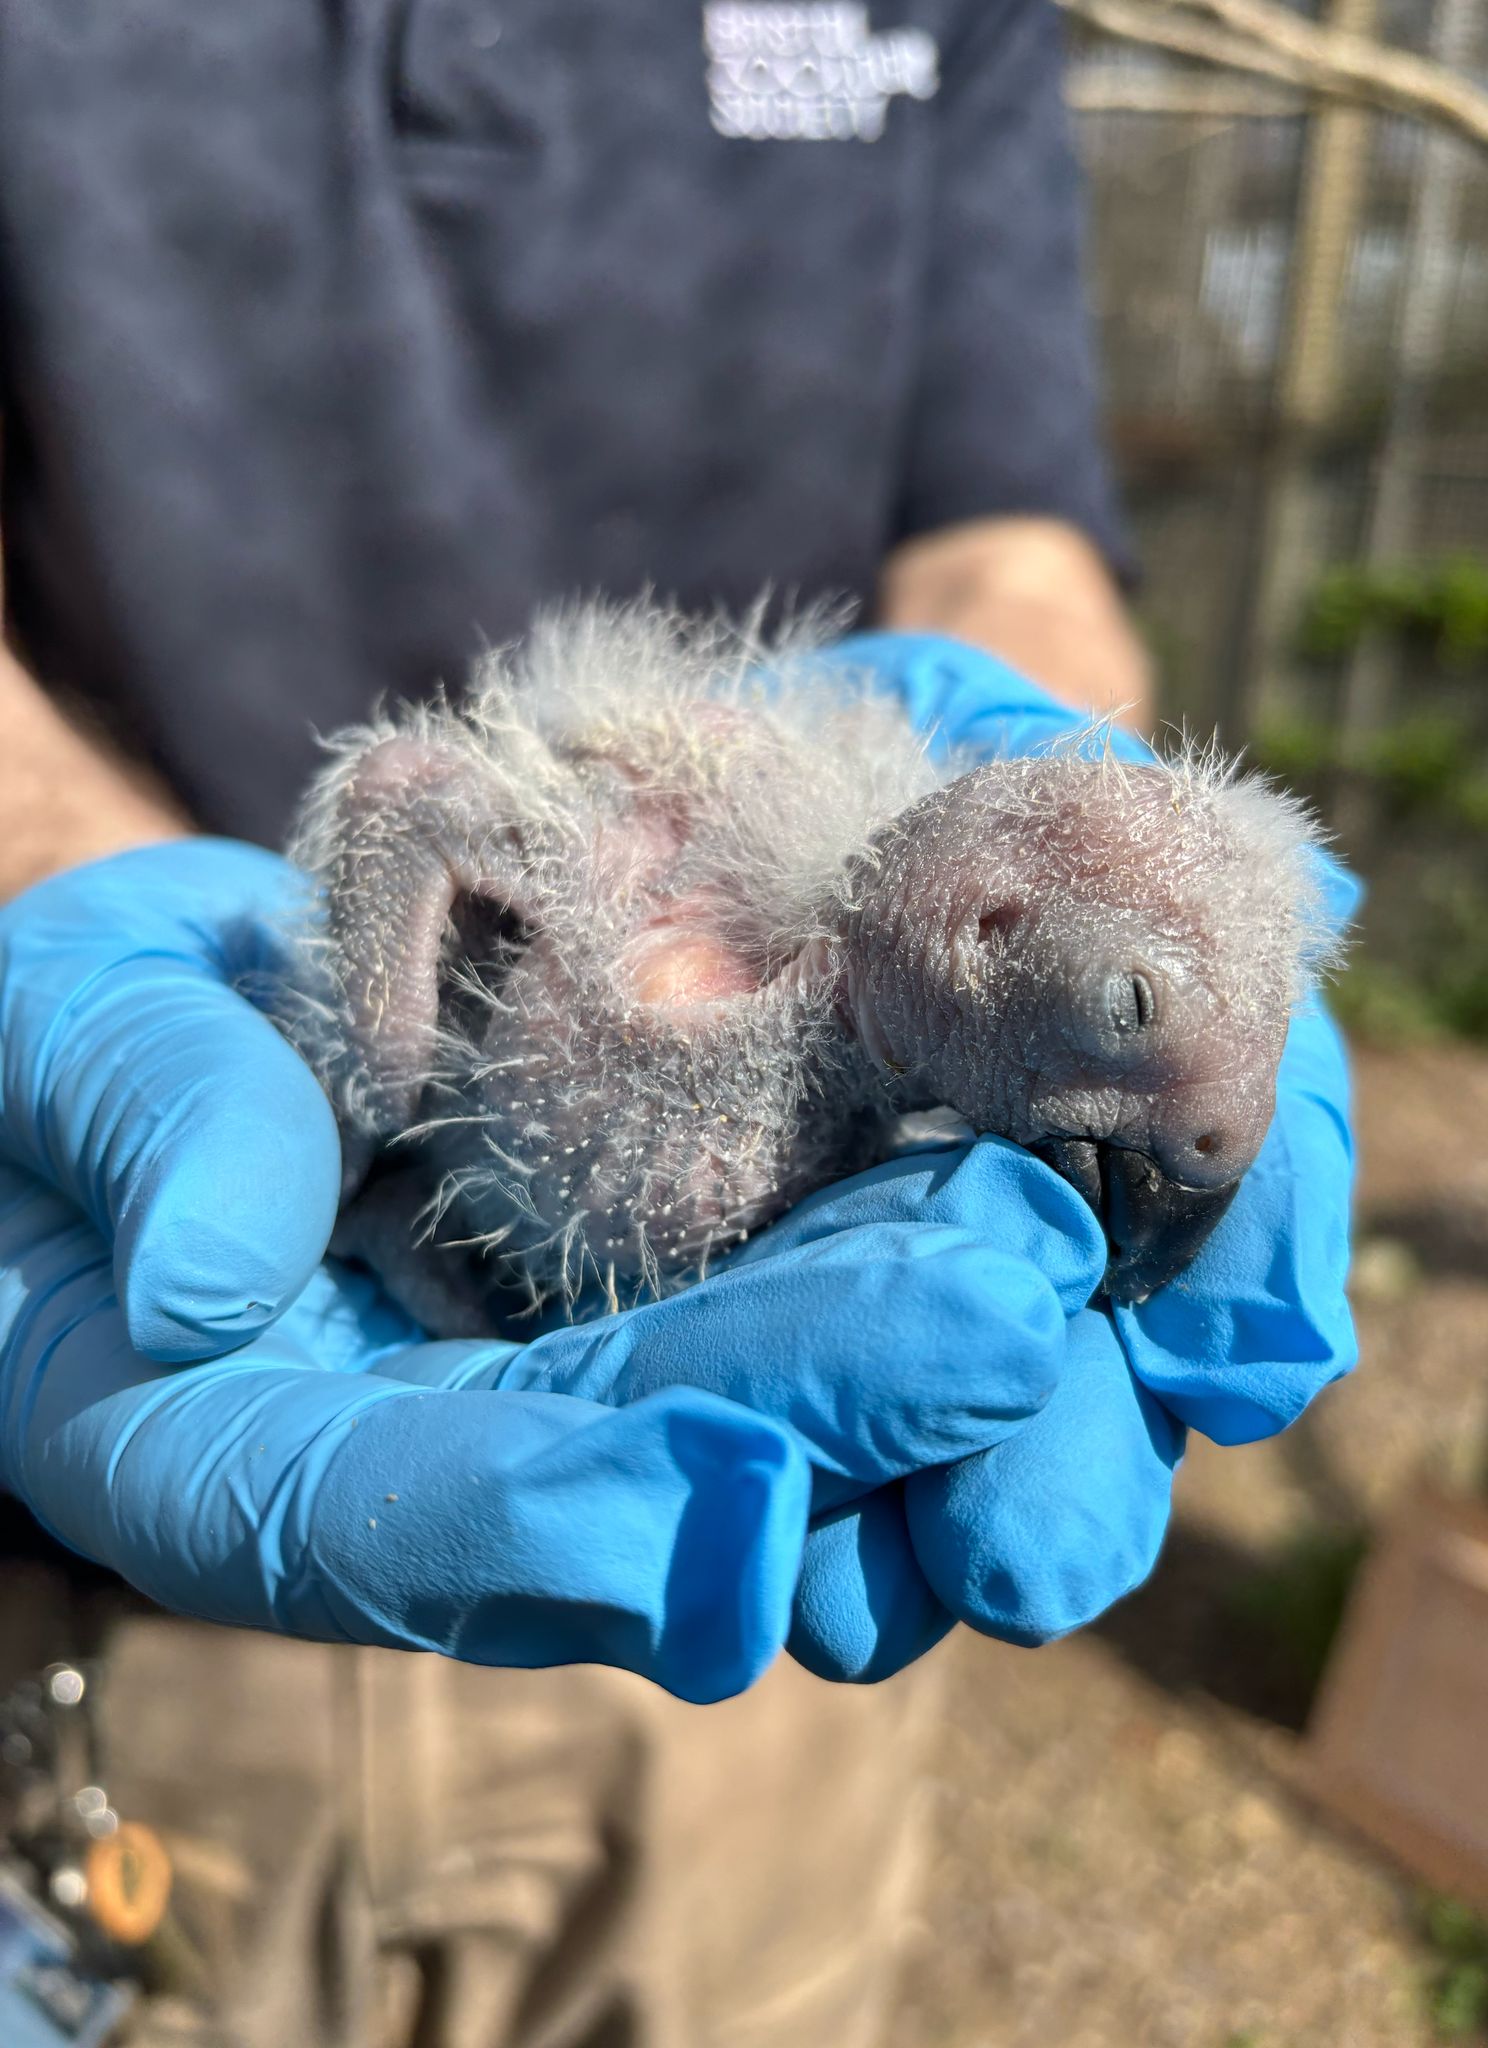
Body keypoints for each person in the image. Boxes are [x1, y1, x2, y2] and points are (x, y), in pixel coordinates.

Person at [0, 4, 1357, 2043]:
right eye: (1139, 1039)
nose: (1169, 1143)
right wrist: (116, 940)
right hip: (86, 1546)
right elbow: (416, 803)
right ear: (975, 914)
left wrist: (1075, 769)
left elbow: (1006, 519)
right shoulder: (668, 899)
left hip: (741, 1575)